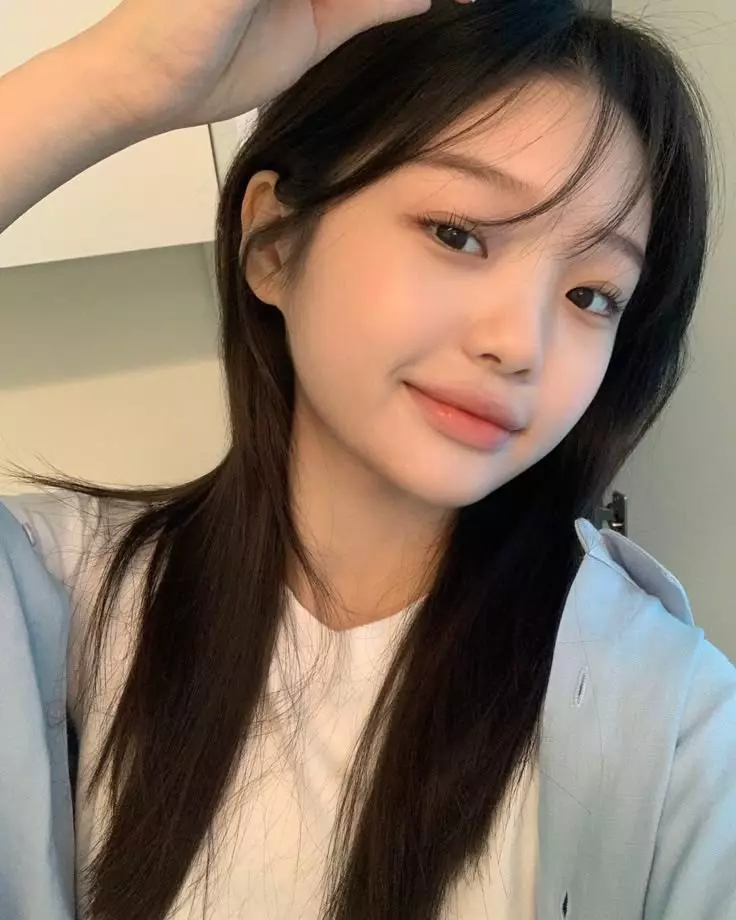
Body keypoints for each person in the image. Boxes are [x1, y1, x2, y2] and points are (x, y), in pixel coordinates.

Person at [0, 0, 734, 919]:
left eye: (592, 295)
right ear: (273, 243)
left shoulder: (676, 726)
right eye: (458, 234)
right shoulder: (62, 597)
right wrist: (113, 85)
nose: (521, 345)